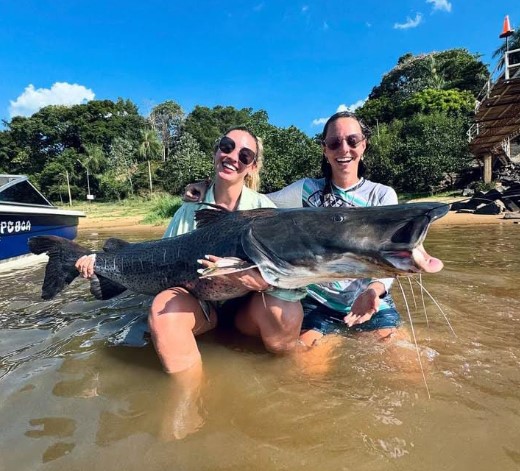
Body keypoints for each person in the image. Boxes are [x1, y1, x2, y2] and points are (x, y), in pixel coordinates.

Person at [77, 126, 304, 438]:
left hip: (246, 310)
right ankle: (190, 399)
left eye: (245, 155)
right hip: (203, 306)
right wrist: (96, 262)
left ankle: (292, 378)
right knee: (161, 308)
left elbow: (289, 269)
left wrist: (259, 281)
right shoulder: (188, 209)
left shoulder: (265, 211)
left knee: (287, 311)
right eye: (227, 146)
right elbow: (165, 266)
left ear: (252, 166)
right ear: (216, 152)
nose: (233, 157)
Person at [185, 112, 402, 351]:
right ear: (324, 149)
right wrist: (208, 185)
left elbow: (389, 255)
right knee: (306, 373)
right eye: (334, 143)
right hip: (317, 303)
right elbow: (253, 200)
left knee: (401, 360)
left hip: (369, 299)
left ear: (364, 145)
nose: (344, 149)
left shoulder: (382, 196)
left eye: (352, 141)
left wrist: (375, 289)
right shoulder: (307, 190)